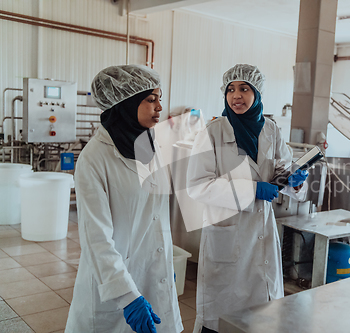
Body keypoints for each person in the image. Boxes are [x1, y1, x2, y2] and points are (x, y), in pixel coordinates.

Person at [187, 64, 308, 333]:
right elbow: (197, 186)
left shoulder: (271, 129)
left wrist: (293, 180)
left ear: (257, 93)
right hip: (226, 232)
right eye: (231, 89)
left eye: (244, 88)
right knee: (221, 319)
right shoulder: (213, 132)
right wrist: (252, 190)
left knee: (260, 317)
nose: (236, 96)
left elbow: (279, 169)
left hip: (261, 231)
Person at [65, 65, 183, 333]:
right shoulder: (94, 159)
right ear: (125, 103)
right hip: (114, 288)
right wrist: (127, 297)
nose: (159, 107)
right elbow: (96, 238)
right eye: (150, 99)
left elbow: (155, 216)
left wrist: (162, 259)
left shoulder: (152, 147)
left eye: (160, 98)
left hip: (154, 277)